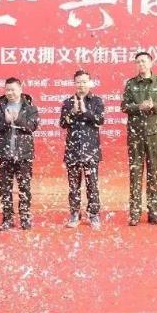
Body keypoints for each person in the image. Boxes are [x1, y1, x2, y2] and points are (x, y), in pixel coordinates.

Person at [121, 51, 157, 226]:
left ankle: (153, 211)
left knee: (153, 172)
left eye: (143, 61)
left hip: (155, 134)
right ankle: (135, 213)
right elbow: (124, 106)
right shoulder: (131, 84)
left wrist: (153, 105)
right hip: (135, 134)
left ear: (151, 63)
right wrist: (138, 107)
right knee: (135, 173)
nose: (141, 64)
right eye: (138, 62)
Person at [0, 77, 40, 230]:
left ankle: (24, 218)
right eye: (7, 90)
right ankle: (7, 219)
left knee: (24, 188)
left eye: (13, 90)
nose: (10, 93)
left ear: (20, 89)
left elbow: (32, 126)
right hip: (4, 155)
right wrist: (5, 122)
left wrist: (17, 120)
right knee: (5, 189)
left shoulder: (30, 108)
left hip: (24, 155)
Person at [60, 70, 104, 230]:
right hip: (73, 150)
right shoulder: (68, 102)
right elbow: (63, 124)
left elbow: (100, 120)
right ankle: (74, 214)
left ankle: (94, 215)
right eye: (78, 82)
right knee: (73, 186)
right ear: (74, 83)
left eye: (84, 82)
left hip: (91, 151)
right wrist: (72, 113)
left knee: (92, 185)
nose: (81, 85)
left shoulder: (97, 101)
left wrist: (86, 112)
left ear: (90, 83)